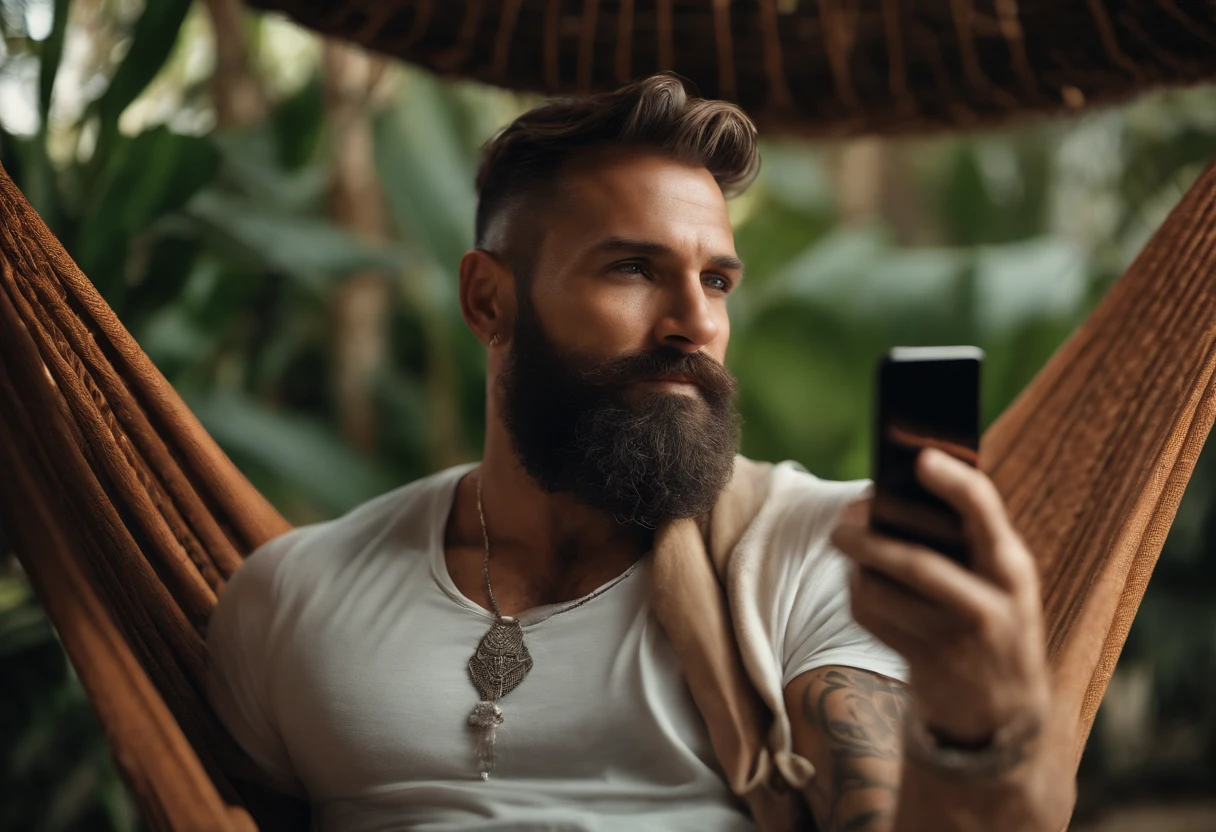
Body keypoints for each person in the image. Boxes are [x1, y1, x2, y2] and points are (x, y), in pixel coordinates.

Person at [206, 73, 1073, 831]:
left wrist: (980, 728)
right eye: (632, 268)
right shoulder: (294, 596)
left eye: (717, 280)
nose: (695, 323)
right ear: (487, 300)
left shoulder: (818, 552)